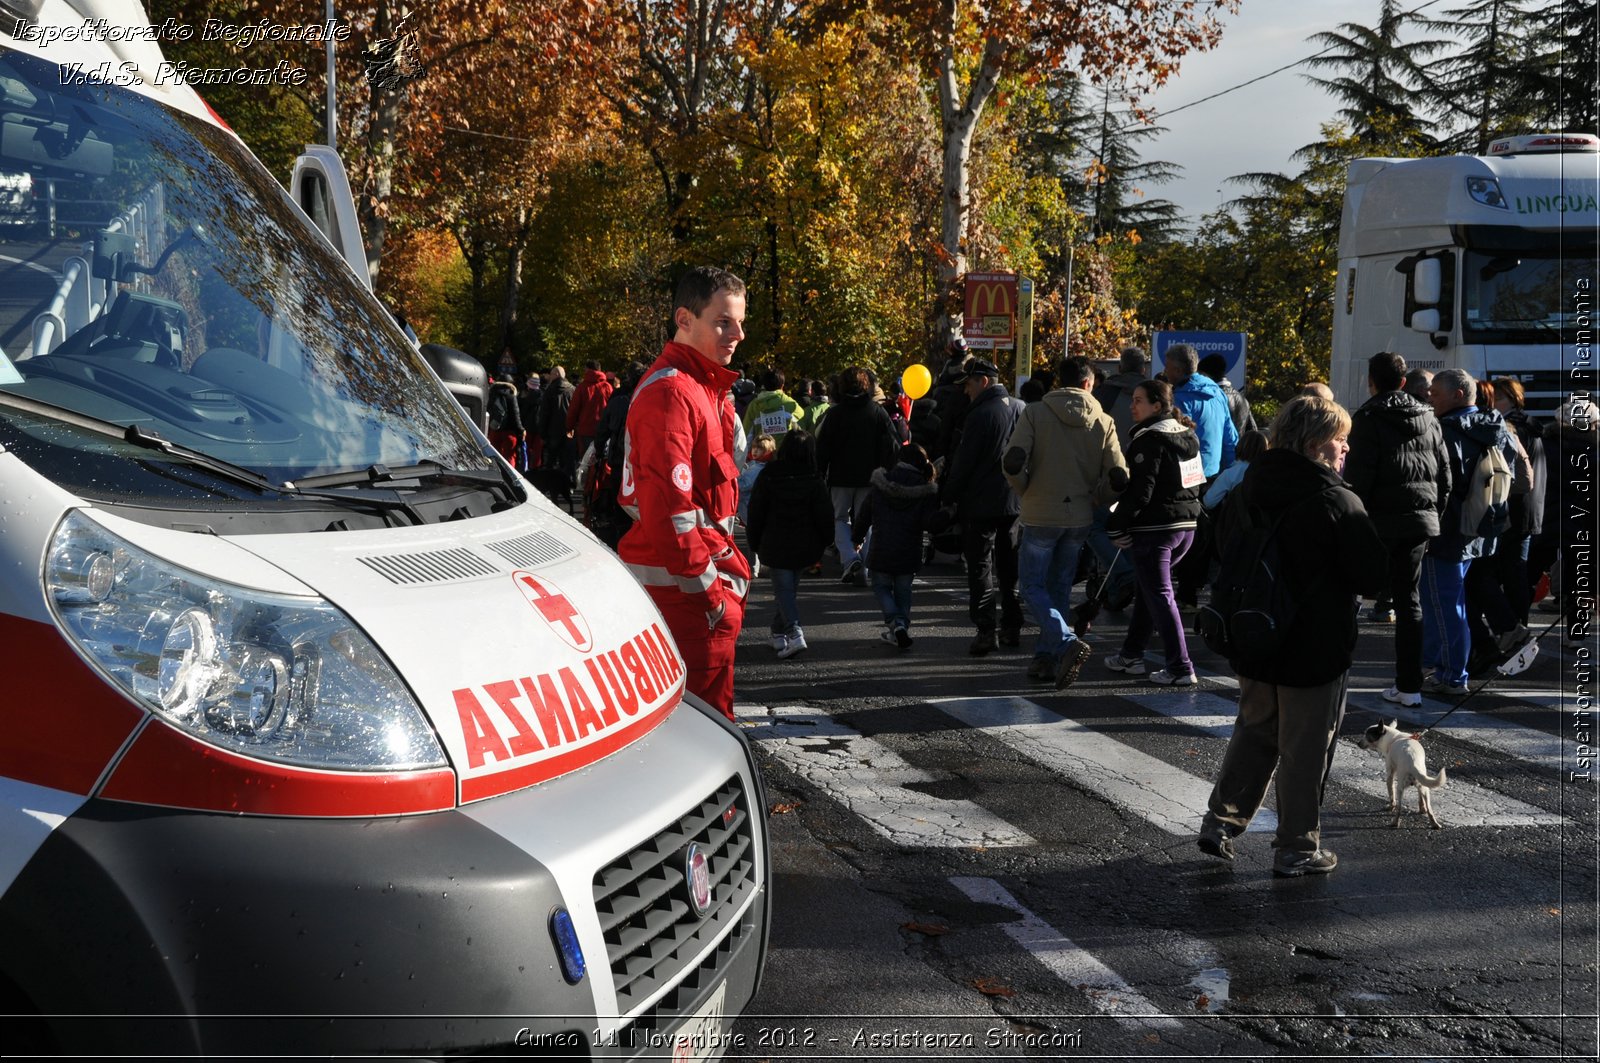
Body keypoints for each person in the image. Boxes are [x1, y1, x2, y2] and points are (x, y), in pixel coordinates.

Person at [1197, 395, 1386, 877]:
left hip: (1254, 631)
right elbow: (1371, 575)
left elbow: (1224, 547)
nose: (1346, 449)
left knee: (1255, 730)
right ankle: (1297, 847)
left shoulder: (1250, 484)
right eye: (1341, 440)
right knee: (1305, 747)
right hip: (1313, 643)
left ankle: (1220, 821)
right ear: (1318, 443)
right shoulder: (1336, 499)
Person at [616, 266, 752, 719]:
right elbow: (669, 512)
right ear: (684, 319)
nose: (737, 334)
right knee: (705, 737)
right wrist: (712, 596)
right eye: (723, 322)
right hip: (686, 600)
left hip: (693, 595)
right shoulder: (674, 392)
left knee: (702, 734)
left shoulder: (702, 389)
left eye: (739, 322)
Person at [1002, 355, 1126, 687]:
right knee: (1058, 586)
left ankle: (1065, 641)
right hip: (1080, 515)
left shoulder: (1035, 412)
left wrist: (1026, 490)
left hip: (1041, 510)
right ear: (1089, 383)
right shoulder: (1104, 420)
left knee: (1031, 586)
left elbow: (1013, 463)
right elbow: (1118, 476)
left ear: (1061, 380)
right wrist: (1099, 498)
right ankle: (1047, 657)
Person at [1343, 352, 1451, 709]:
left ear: (1370, 381)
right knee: (1410, 602)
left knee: (1351, 596)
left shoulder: (1369, 418)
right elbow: (1444, 476)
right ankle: (1409, 685)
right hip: (1419, 519)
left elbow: (1358, 477)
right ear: (1404, 382)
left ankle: (1336, 676)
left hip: (1377, 520)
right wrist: (1434, 514)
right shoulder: (1430, 418)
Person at [1421, 368, 1528, 696]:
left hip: (1449, 530)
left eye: (1435, 393)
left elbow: (1441, 487)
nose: (1429, 398)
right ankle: (1452, 670)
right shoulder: (1497, 428)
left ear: (1457, 395)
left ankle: (1452, 675)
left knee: (1444, 605)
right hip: (1483, 526)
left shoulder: (1446, 432)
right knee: (1458, 604)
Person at [1103, 379, 1204, 684]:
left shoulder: (1149, 440)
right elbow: (1196, 480)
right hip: (1186, 525)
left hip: (1156, 528)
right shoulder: (1187, 435)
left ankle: (1180, 667)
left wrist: (1116, 524)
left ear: (1157, 406)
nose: (1132, 406)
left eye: (1138, 401)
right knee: (1150, 593)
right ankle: (1131, 655)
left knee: (1160, 595)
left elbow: (1141, 492)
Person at [941, 358, 1024, 655]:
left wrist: (948, 496)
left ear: (984, 382)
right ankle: (1013, 625)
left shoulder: (979, 415)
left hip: (980, 503)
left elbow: (964, 463)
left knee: (980, 567)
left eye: (969, 384)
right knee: (1009, 566)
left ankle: (987, 629)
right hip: (1014, 501)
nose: (966, 392)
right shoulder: (1020, 408)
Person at [745, 429, 833, 660]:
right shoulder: (814, 477)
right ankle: (779, 632)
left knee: (785, 591)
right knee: (788, 591)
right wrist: (827, 539)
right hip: (806, 543)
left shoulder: (770, 474)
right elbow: (824, 513)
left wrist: (753, 541)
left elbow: (756, 511)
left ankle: (792, 633)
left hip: (775, 542)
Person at [815, 366, 901, 585]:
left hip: (840, 476)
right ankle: (863, 567)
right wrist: (886, 470)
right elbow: (893, 444)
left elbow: (822, 447)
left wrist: (820, 472)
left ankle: (850, 559)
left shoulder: (834, 414)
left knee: (839, 519)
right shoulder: (877, 411)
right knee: (867, 522)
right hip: (870, 477)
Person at [855, 443, 942, 649]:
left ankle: (895, 622)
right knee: (904, 591)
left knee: (881, 587)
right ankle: (901, 624)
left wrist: (857, 537)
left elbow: (865, 513)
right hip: (909, 550)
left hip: (881, 548)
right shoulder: (925, 488)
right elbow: (929, 522)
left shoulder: (882, 482)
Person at [1202, 429, 1268, 512]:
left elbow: (1208, 503)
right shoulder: (1268, 474)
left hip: (1236, 521)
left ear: (1240, 446)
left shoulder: (1230, 474)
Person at [566, 359, 614, 469]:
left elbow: (573, 410)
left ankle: (586, 484)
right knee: (601, 462)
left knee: (586, 462)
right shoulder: (607, 387)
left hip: (585, 430)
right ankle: (598, 484)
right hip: (604, 431)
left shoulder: (582, 387)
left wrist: (569, 427)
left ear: (588, 369)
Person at [1198, 354, 1256, 436]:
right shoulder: (1243, 400)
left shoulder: (1211, 398)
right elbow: (1253, 431)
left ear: (1205, 375)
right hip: (1239, 447)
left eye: (1200, 375)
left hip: (1217, 448)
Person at [742, 368, 802, 440]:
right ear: (782, 386)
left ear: (764, 385)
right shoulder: (791, 404)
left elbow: (747, 434)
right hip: (784, 450)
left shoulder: (754, 405)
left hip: (762, 450)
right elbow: (801, 428)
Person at [540, 366, 576, 484]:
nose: (549, 377)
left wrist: (543, 433)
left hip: (553, 430)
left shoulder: (550, 390)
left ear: (556, 375)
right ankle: (566, 483)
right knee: (566, 460)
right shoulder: (572, 390)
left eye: (551, 374)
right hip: (569, 430)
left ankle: (548, 483)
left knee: (551, 459)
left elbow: (544, 413)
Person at [737, 432, 777, 526]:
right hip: (750, 509)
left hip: (750, 508)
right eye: (754, 447)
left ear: (768, 451)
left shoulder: (759, 468)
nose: (755, 450)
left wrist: (734, 479)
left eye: (760, 449)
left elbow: (743, 485)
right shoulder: (754, 464)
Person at [486, 370, 522, 466]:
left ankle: (494, 475)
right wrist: (521, 430)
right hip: (509, 434)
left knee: (494, 457)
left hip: (494, 431)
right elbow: (516, 415)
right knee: (509, 458)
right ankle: (508, 479)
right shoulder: (511, 396)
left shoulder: (492, 395)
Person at [518, 374, 543, 472]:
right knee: (537, 451)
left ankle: (526, 469)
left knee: (526, 450)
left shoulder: (526, 398)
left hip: (527, 427)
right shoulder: (543, 396)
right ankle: (535, 470)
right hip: (539, 427)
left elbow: (523, 413)